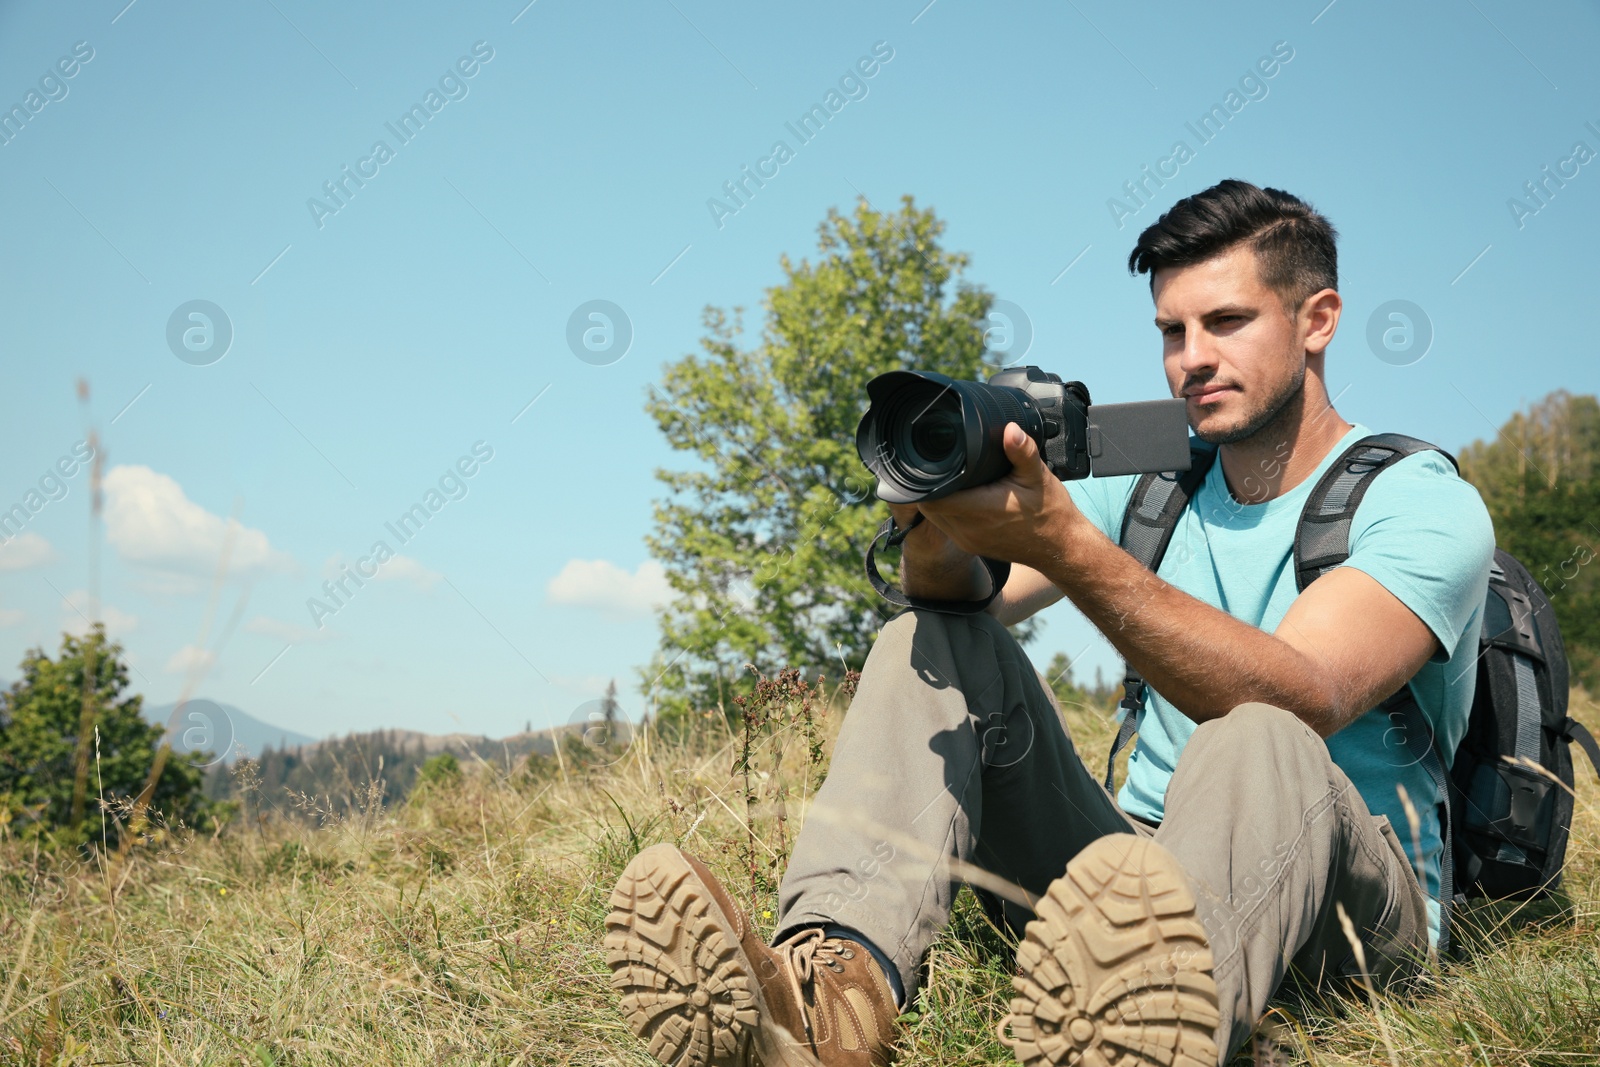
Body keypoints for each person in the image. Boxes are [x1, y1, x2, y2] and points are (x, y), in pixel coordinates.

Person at [602, 179, 1495, 1067]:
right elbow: (962, 606)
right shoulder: (1153, 481)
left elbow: (1310, 693)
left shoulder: (1416, 501)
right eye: (1170, 331)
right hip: (1130, 880)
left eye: (1226, 322)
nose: (1192, 359)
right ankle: (826, 1005)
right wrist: (940, 516)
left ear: (1318, 320)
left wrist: (1069, 542)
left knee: (1259, 733)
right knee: (926, 638)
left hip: (1351, 910)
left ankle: (1162, 1026)